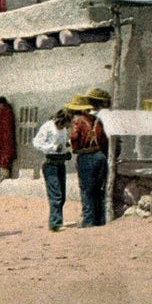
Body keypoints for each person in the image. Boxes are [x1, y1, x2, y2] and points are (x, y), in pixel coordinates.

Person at [67, 94, 107, 228]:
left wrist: (75, 147)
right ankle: (100, 219)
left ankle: (88, 220)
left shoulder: (77, 121)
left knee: (86, 190)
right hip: (100, 156)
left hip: (86, 157)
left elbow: (74, 137)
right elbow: (103, 140)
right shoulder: (97, 120)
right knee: (98, 189)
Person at [33, 109, 73, 232]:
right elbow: (37, 143)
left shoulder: (64, 129)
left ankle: (58, 219)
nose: (64, 126)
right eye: (64, 123)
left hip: (61, 163)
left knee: (62, 195)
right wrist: (53, 147)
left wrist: (66, 146)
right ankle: (55, 223)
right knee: (56, 195)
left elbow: (62, 143)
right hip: (51, 164)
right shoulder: (47, 127)